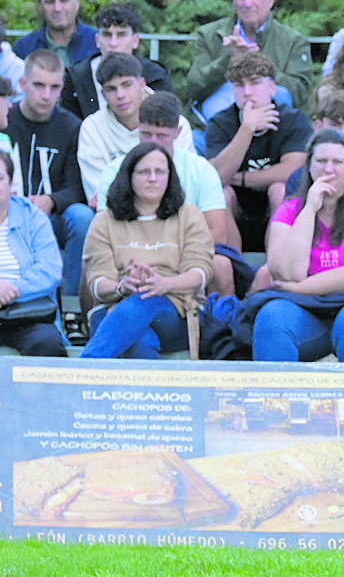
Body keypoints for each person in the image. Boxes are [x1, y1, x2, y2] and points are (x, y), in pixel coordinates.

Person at [250, 129, 344, 363]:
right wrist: (309, 209)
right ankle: (278, 399)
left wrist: (300, 288)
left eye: (337, 162)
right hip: (309, 313)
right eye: (321, 161)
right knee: (272, 317)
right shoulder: (289, 211)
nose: (328, 169)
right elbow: (288, 272)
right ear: (309, 166)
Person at [95, 92, 236, 299]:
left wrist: (168, 263)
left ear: (178, 132)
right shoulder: (114, 170)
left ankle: (217, 327)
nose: (153, 142)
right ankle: (90, 324)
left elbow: (218, 233)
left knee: (221, 265)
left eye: (162, 136)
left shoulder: (201, 170)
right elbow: (104, 230)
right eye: (146, 134)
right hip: (128, 256)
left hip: (186, 258)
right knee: (90, 265)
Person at [81, 143, 213, 359]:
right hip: (113, 308)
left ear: (170, 176)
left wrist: (165, 285)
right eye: (144, 172)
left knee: (146, 299)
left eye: (160, 171)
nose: (153, 178)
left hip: (174, 313)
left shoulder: (189, 216)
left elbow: (200, 273)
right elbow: (97, 281)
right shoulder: (104, 221)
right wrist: (121, 288)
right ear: (128, 176)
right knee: (141, 341)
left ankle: (83, 370)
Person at [184, 0, 314, 131]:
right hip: (210, 131)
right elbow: (193, 87)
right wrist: (228, 60)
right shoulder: (210, 34)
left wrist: (258, 62)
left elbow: (299, 93)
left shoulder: (294, 41)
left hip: (273, 134)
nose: (247, 3)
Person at [4, 50, 91, 296]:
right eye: (39, 85)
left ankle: (71, 303)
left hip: (52, 215)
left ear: (62, 88)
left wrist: (51, 200)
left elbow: (77, 186)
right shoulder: (5, 120)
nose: (46, 95)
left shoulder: (71, 126)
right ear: (23, 84)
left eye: (54, 87)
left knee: (82, 216)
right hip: (7, 214)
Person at [205, 52, 311, 253]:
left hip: (278, 209)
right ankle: (234, 268)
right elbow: (216, 179)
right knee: (222, 193)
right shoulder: (220, 123)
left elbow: (293, 172)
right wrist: (248, 128)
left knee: (279, 188)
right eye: (238, 85)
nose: (247, 92)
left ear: (272, 87)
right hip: (235, 209)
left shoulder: (294, 120)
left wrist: (239, 177)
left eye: (255, 83)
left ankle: (276, 269)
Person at [76, 53, 193, 204]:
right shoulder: (91, 128)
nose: (120, 95)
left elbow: (184, 184)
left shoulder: (176, 123)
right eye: (111, 89)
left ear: (142, 84)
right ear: (103, 94)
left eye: (126, 85)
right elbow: (99, 195)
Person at [0, 150, 67, 357]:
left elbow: (50, 269)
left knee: (46, 342)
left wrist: (11, 291)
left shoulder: (33, 217)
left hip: (26, 312)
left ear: (11, 184)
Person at [62, 2, 175, 120]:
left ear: (135, 41)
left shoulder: (155, 76)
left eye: (121, 35)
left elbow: (169, 122)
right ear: (97, 40)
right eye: (107, 35)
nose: (113, 43)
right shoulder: (77, 77)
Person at [12, 0, 96, 67]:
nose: (57, 8)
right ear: (39, 6)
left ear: (77, 2)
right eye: (50, 2)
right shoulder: (24, 48)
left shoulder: (97, 43)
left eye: (64, 0)